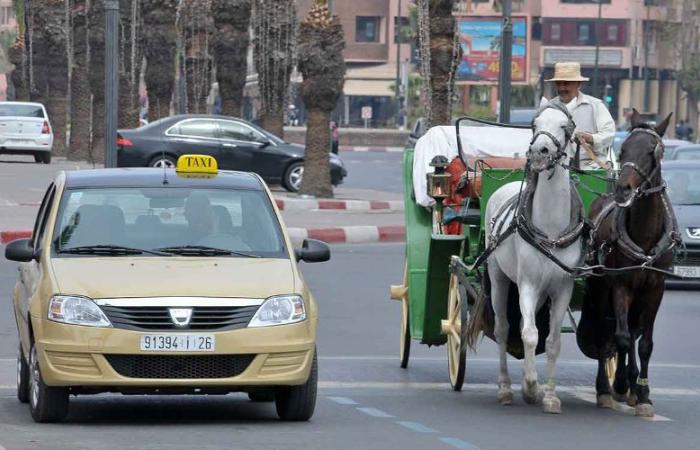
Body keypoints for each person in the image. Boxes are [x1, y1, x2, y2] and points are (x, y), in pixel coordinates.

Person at [546, 62, 615, 169]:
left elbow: (609, 134)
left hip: (590, 166)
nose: (562, 88)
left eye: (566, 84)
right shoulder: (549, 108)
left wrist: (591, 138)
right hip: (556, 167)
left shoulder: (595, 106)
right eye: (559, 84)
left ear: (579, 84)